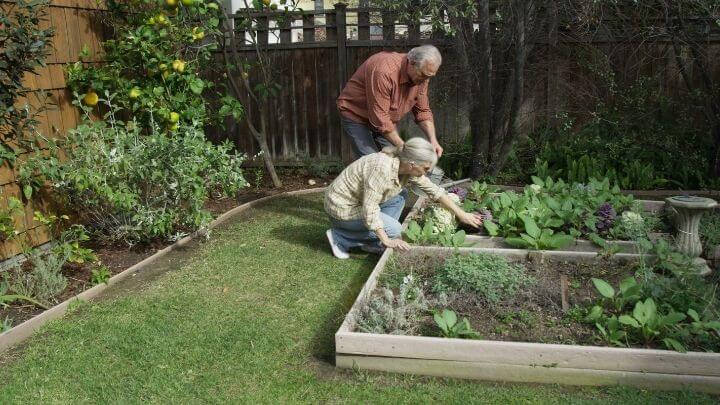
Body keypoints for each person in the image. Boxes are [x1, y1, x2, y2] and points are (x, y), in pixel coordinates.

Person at [324, 137, 481, 259]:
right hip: (341, 209)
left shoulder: (405, 166)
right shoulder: (382, 169)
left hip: (356, 202)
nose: (426, 172)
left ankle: (373, 242)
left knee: (400, 197)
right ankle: (339, 238)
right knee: (396, 230)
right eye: (426, 168)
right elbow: (370, 210)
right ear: (412, 164)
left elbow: (434, 190)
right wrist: (387, 239)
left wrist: (462, 214)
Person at [337, 45, 444, 159]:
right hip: (356, 114)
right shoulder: (384, 71)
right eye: (423, 75)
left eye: (429, 77)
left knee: (397, 160)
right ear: (412, 63)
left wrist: (433, 141)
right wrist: (406, 149)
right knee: (372, 162)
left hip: (385, 121)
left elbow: (422, 111)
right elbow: (380, 118)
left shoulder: (423, 77)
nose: (425, 80)